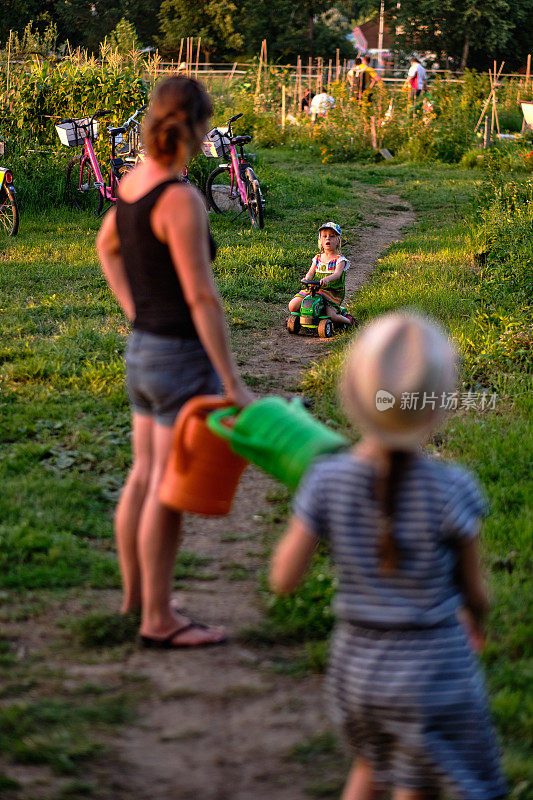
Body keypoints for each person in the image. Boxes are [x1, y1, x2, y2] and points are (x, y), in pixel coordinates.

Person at [270, 312, 507, 800]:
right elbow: (474, 592)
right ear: (438, 408)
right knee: (414, 781)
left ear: (352, 397)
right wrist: (479, 626)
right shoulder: (453, 488)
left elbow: (283, 578)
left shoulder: (327, 481)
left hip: (356, 673)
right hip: (433, 674)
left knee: (372, 763)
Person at [96, 76, 254, 649]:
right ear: (196, 127)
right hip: (180, 356)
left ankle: (140, 597)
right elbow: (202, 296)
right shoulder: (181, 198)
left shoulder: (135, 183)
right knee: (166, 485)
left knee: (142, 476)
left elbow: (106, 244)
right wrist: (233, 381)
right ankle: (158, 620)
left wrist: (135, 308)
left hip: (142, 351)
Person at [288, 222, 355, 327]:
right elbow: (311, 272)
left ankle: (349, 321)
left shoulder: (339, 259)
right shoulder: (318, 258)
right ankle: (300, 318)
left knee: (332, 316)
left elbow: (337, 274)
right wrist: (307, 278)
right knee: (293, 305)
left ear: (338, 241)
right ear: (321, 241)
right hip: (314, 289)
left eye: (332, 236)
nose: (328, 239)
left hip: (331, 292)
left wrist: (327, 279)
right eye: (325, 236)